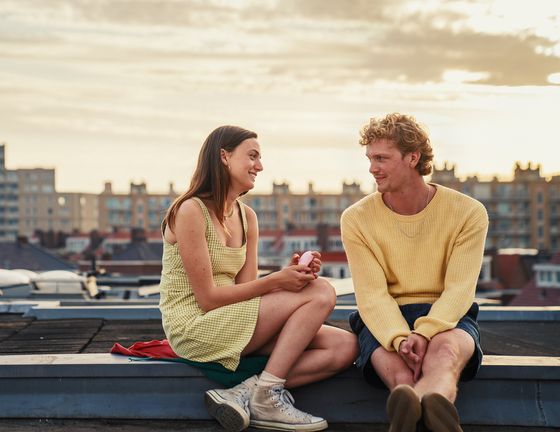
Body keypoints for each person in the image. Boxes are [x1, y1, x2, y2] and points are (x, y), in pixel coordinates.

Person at [159, 125, 357, 432]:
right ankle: (268, 398)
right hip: (195, 327)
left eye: (259, 158)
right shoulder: (190, 210)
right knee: (321, 291)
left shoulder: (246, 216)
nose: (260, 166)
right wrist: (279, 282)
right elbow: (208, 299)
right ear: (224, 157)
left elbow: (247, 290)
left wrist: (293, 279)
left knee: (344, 346)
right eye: (252, 156)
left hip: (233, 320)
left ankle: (248, 392)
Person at [340, 113, 488, 432]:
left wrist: (424, 331)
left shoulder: (468, 213)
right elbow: (372, 295)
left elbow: (460, 290)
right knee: (400, 374)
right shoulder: (356, 219)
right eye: (369, 158)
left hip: (448, 316)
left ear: (412, 157)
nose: (372, 168)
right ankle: (428, 405)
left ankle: (415, 409)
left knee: (445, 354)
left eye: (381, 158)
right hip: (383, 318)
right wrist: (399, 337)